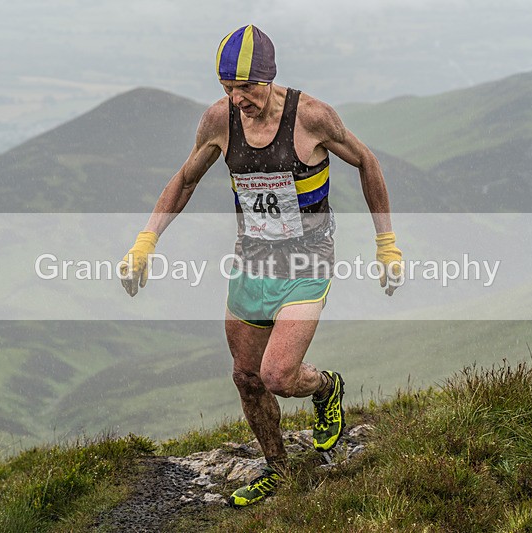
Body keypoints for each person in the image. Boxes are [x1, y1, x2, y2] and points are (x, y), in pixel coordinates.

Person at [120, 24, 403, 507]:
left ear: (269, 77)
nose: (238, 99)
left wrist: (387, 243)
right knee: (246, 377)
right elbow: (185, 180)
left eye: (246, 87)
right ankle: (279, 471)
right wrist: (146, 240)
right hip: (251, 265)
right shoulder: (219, 121)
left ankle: (325, 387)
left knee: (277, 374)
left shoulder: (312, 117)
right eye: (227, 88)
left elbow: (366, 161)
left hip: (306, 262)